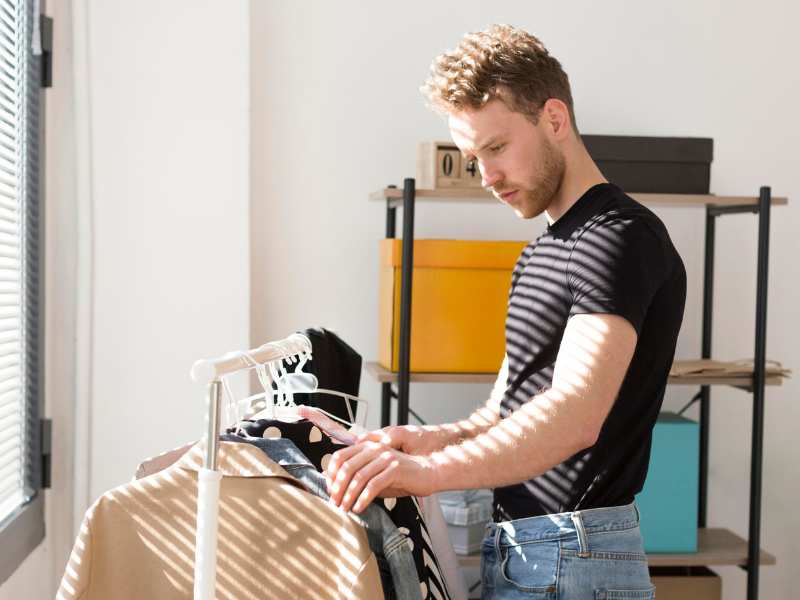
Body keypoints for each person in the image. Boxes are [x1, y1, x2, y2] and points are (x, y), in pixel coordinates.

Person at [325, 24, 686, 599]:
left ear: (555, 119)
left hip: (575, 555)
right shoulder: (542, 252)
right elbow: (503, 410)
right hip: (528, 554)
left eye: (495, 148)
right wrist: (423, 441)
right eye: (473, 158)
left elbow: (575, 413)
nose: (486, 177)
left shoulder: (619, 236)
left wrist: (428, 476)